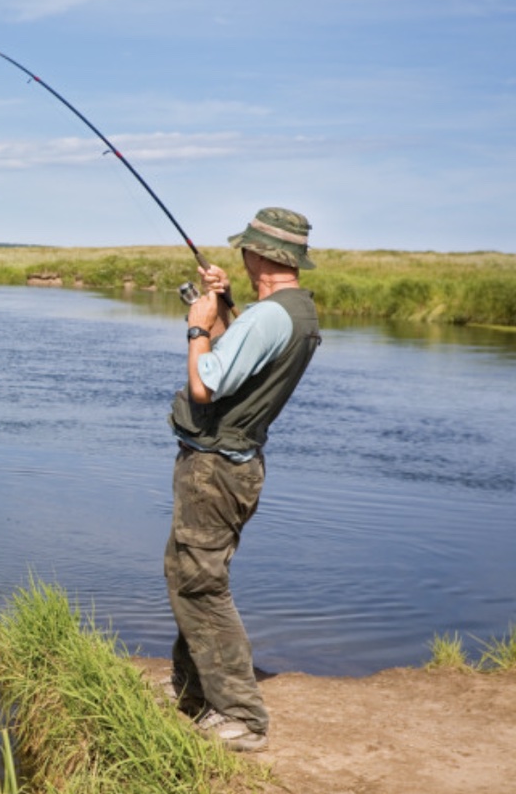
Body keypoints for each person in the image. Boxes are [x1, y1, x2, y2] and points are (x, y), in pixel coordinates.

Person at [163, 207, 322, 753]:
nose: (240, 255)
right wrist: (227, 304)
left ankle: (241, 717)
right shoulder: (291, 311)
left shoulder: (270, 317)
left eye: (245, 249)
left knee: (202, 584)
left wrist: (198, 323)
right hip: (231, 465)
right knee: (187, 571)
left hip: (216, 470)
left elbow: (208, 383)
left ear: (263, 255)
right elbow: (240, 359)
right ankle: (191, 687)